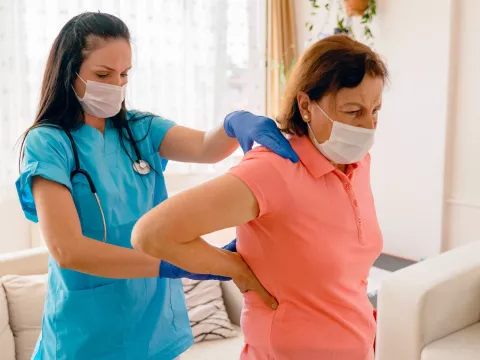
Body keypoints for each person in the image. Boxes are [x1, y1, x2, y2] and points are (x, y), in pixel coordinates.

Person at [16, 12, 297, 360]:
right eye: (103, 75)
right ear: (68, 72)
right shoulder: (49, 143)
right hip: (85, 335)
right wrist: (172, 263)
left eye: (124, 75)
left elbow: (206, 148)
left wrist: (232, 123)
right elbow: (67, 250)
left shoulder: (138, 129)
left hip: (153, 329)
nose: (116, 86)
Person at [131, 34, 388, 360]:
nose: (368, 126)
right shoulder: (274, 169)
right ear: (307, 105)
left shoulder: (357, 163)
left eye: (376, 110)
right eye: (353, 111)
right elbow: (151, 234)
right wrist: (235, 268)